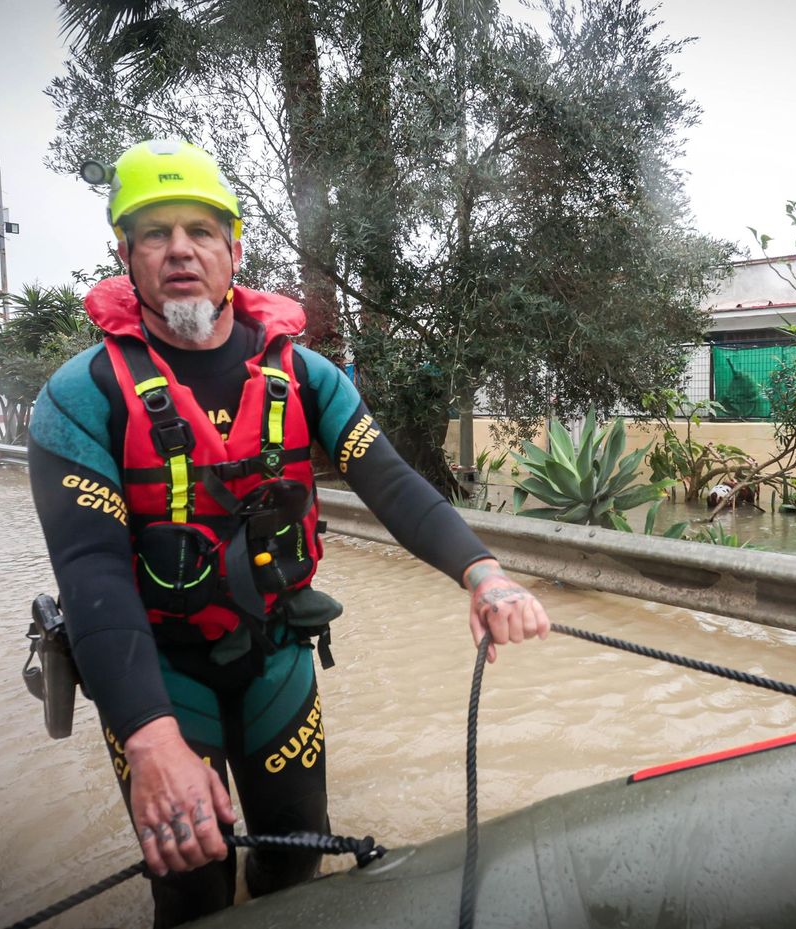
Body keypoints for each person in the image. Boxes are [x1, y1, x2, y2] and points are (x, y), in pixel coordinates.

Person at [27, 138, 549, 927]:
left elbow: (395, 485)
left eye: (201, 230)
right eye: (155, 233)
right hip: (156, 676)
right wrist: (149, 740)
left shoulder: (306, 377)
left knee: (297, 863)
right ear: (125, 255)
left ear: (234, 248)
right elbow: (89, 570)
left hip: (277, 658)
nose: (179, 250)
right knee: (194, 886)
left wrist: (484, 573)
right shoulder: (78, 398)